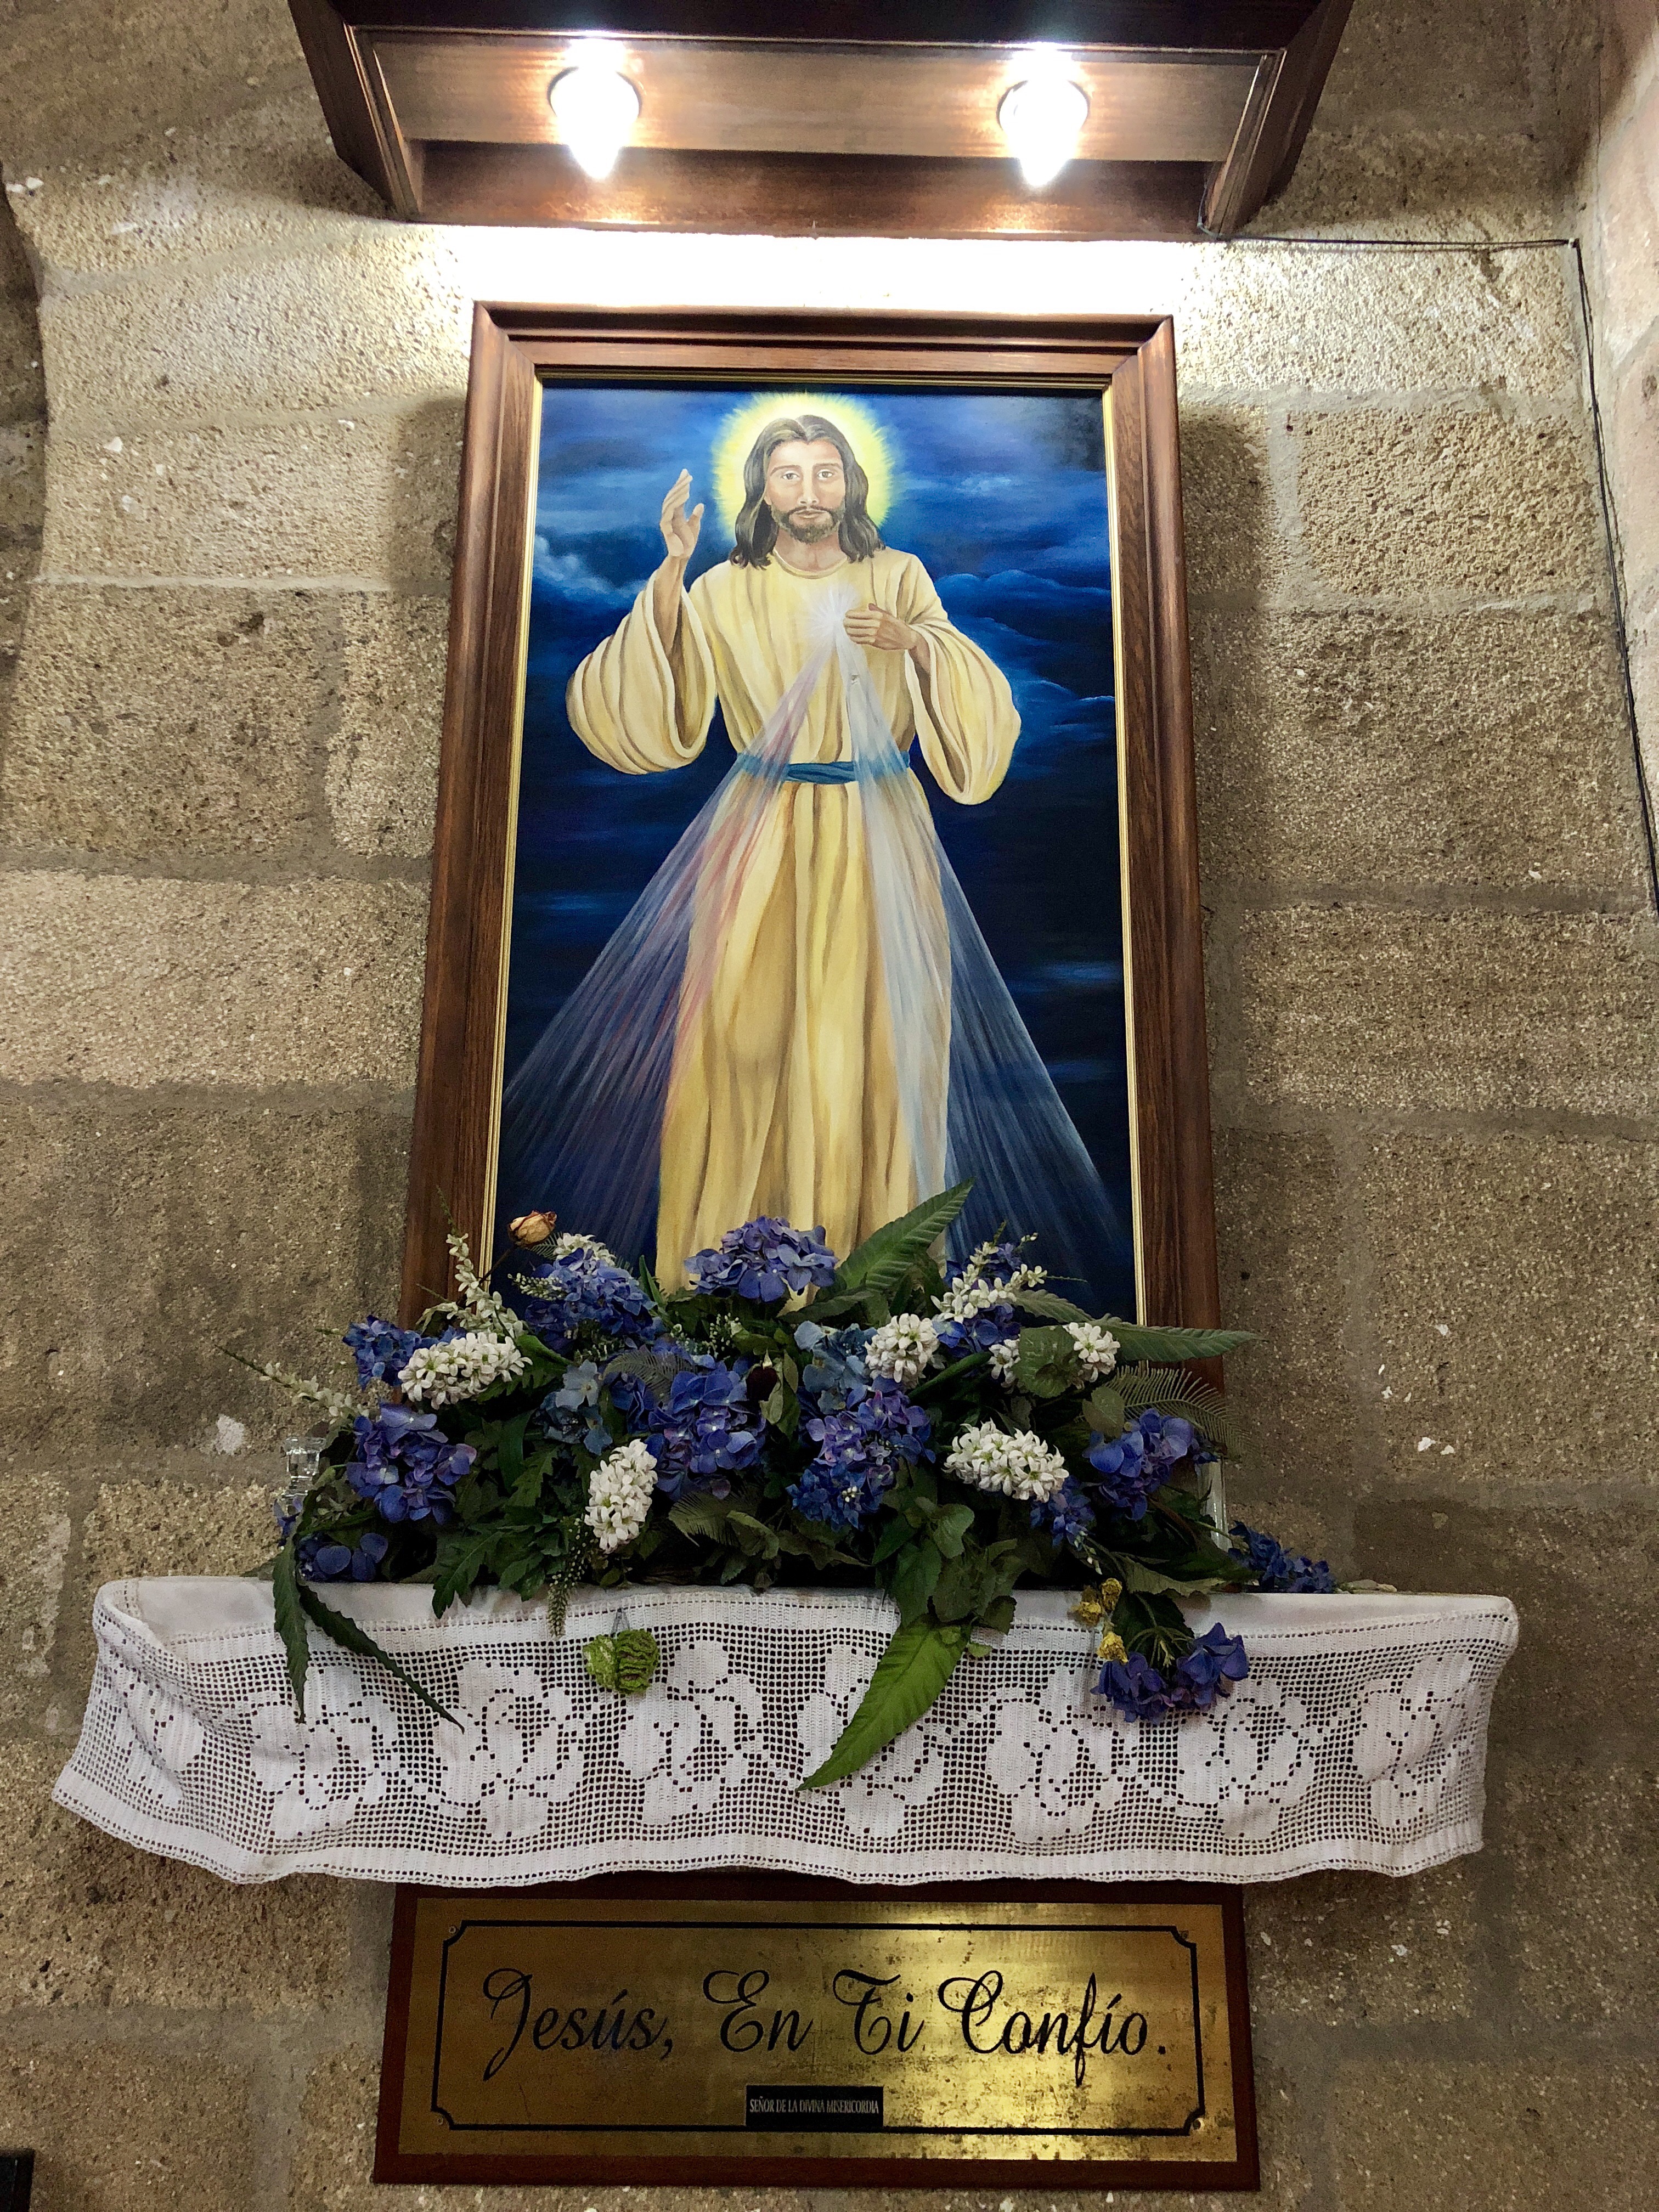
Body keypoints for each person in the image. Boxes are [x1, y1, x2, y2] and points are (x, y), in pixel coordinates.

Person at [560, 411, 1020, 1280]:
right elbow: (648, 711)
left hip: (879, 830)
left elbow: (978, 708)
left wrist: (916, 644)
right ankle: (736, 1274)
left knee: (875, 1047)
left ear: (851, 483)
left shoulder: (898, 575)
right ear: (762, 492)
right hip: (762, 832)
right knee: (742, 1041)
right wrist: (671, 570)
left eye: (824, 473)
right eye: (789, 475)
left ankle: (873, 1279)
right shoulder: (724, 587)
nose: (809, 492)